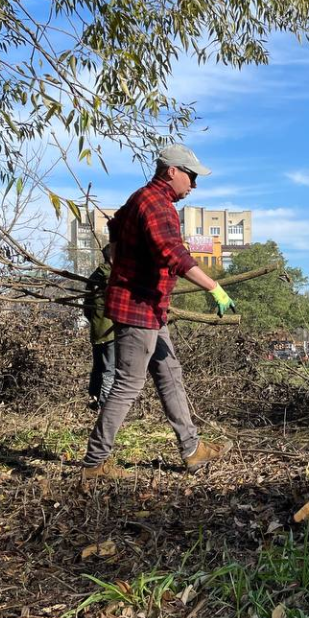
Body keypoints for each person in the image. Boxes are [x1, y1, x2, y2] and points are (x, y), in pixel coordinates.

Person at [81, 144, 237, 481]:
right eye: (191, 176)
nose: (193, 185)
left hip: (149, 307)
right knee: (127, 384)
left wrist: (117, 258)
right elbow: (174, 254)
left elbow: (115, 224)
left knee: (169, 373)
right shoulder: (157, 205)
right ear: (172, 172)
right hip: (137, 308)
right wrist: (214, 287)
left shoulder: (141, 198)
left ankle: (192, 449)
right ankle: (94, 463)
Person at [83, 243, 116, 411]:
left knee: (98, 368)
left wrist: (95, 322)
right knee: (110, 369)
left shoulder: (93, 276)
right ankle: (105, 405)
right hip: (111, 331)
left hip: (97, 331)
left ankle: (93, 401)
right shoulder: (113, 277)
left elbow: (86, 309)